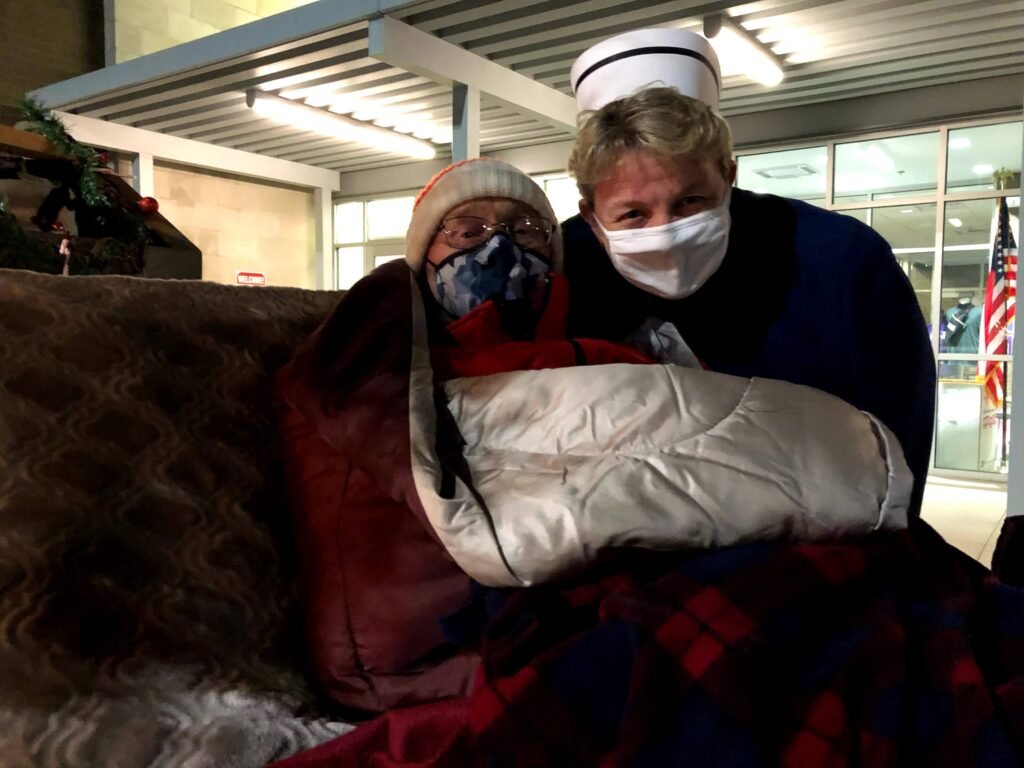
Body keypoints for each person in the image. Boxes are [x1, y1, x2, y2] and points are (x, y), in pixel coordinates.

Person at [562, 28, 936, 516]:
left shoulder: (840, 260)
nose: (666, 232)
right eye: (633, 214)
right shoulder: (567, 266)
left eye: (691, 201)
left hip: (814, 523)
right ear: (592, 218)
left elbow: (898, 437)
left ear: (729, 177)